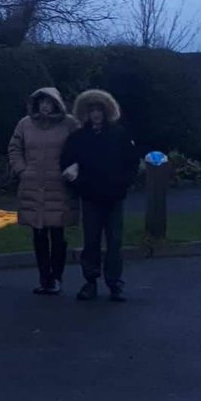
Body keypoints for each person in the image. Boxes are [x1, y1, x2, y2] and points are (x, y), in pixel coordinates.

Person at [60, 89, 139, 302]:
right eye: (91, 110)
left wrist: (124, 184)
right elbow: (66, 162)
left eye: (99, 110)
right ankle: (90, 282)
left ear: (106, 112)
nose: (95, 114)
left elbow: (132, 162)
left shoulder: (119, 134)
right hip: (90, 197)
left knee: (114, 241)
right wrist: (77, 181)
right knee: (91, 241)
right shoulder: (78, 138)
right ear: (86, 113)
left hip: (114, 197)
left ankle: (115, 283)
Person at [8, 88, 80, 295]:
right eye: (41, 102)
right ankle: (43, 278)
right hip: (33, 185)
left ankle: (56, 277)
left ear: (56, 103)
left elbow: (80, 147)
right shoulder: (25, 124)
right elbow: (15, 147)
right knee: (38, 233)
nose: (45, 106)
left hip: (60, 186)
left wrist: (73, 168)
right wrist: (22, 170)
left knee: (58, 233)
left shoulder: (69, 124)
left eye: (49, 102)